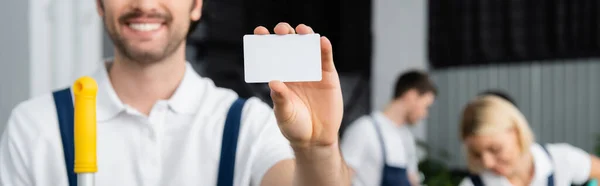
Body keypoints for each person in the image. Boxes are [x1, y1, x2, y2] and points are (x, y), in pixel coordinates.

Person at [0, 0, 352, 185]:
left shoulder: (248, 125)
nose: (144, 2)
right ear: (99, 3)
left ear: (196, 4)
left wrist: (318, 150)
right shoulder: (36, 127)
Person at [458, 95, 600, 186]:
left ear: (517, 132)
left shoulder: (561, 160)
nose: (487, 162)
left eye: (495, 149)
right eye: (477, 154)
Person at [341, 70, 437, 186]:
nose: (425, 114)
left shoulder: (406, 138)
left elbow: (412, 180)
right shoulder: (364, 129)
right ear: (411, 96)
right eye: (426, 106)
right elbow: (342, 179)